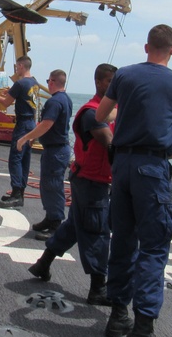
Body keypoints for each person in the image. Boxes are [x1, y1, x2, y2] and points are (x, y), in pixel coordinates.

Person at [94, 24, 172, 337]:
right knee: (153, 246)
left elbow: (100, 115)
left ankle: (118, 315)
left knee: (123, 238)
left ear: (147, 45)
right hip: (152, 167)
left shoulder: (124, 76)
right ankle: (143, 330)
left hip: (121, 165)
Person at [27, 64, 117, 305]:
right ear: (99, 82)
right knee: (97, 232)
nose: (115, 86)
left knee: (74, 226)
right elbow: (110, 144)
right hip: (91, 182)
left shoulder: (108, 111)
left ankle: (42, 264)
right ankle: (98, 288)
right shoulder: (91, 112)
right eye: (111, 81)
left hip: (92, 180)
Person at [15, 70, 73, 239]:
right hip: (56, 149)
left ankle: (56, 224)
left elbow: (46, 124)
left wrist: (25, 138)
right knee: (48, 185)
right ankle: (50, 217)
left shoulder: (55, 102)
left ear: (53, 81)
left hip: (56, 150)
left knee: (53, 186)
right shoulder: (66, 99)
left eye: (48, 80)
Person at [0, 56, 39, 209]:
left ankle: (16, 194)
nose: (15, 69)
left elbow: (6, 102)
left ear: (20, 66)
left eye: (16, 66)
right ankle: (20, 193)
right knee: (25, 159)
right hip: (32, 123)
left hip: (22, 124)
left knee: (15, 158)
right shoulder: (34, 82)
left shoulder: (20, 83)